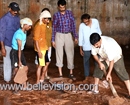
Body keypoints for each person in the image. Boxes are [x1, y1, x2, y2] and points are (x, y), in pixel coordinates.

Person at [89, 33, 130, 98]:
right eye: (94, 45)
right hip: (104, 56)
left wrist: (109, 73)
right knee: (98, 69)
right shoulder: (94, 43)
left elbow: (112, 60)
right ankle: (95, 89)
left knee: (122, 73)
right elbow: (94, 54)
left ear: (100, 40)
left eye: (97, 44)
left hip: (116, 56)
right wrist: (99, 63)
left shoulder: (107, 45)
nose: (95, 46)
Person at [52, 0, 78, 80]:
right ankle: (60, 74)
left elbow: (73, 25)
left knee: (70, 53)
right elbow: (54, 28)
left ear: (65, 6)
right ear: (58, 7)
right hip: (59, 35)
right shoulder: (56, 15)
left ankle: (71, 72)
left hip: (68, 35)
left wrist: (75, 36)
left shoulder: (70, 14)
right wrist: (53, 39)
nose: (62, 8)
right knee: (59, 53)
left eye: (63, 7)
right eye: (60, 7)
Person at [10, 17, 33, 95]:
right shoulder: (19, 34)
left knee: (25, 68)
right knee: (16, 70)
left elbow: (21, 49)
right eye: (29, 26)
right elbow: (19, 48)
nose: (30, 28)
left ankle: (24, 86)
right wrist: (19, 61)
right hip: (15, 52)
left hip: (20, 52)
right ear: (24, 25)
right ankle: (15, 89)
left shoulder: (24, 32)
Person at [0, 2, 20, 83]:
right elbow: (1, 34)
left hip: (15, 43)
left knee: (15, 61)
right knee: (7, 61)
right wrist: (2, 47)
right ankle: (7, 79)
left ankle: (15, 77)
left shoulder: (17, 18)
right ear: (9, 9)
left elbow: (18, 30)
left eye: (17, 10)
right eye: (14, 10)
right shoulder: (4, 19)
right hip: (7, 43)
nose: (15, 12)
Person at [78, 13, 102, 80]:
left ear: (90, 19)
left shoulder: (95, 21)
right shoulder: (81, 26)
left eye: (87, 21)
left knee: (97, 61)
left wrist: (100, 44)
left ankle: (97, 76)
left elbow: (99, 32)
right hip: (86, 46)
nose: (86, 23)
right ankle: (87, 76)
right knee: (86, 61)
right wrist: (80, 48)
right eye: (84, 22)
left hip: (95, 45)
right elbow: (81, 37)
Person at [33, 10, 51, 84]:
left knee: (47, 62)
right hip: (41, 48)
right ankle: (37, 81)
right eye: (46, 19)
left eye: (48, 19)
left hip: (45, 47)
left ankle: (42, 76)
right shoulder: (38, 26)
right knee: (40, 65)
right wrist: (39, 51)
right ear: (42, 18)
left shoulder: (45, 25)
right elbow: (36, 40)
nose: (48, 20)